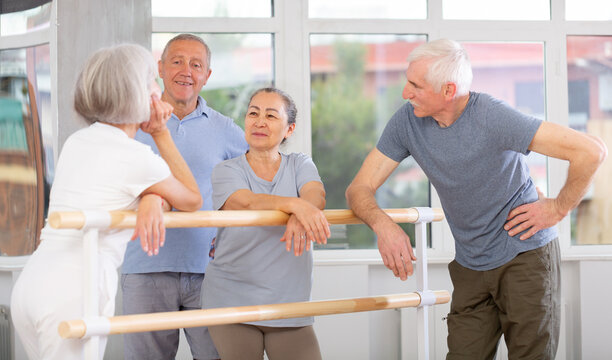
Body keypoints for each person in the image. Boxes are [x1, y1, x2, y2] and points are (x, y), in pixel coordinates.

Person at [345, 39, 607, 359]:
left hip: (524, 255)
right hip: (470, 265)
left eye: (416, 85)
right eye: (407, 81)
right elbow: (358, 188)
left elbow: (590, 151)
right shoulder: (407, 121)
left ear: (448, 90)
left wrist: (558, 208)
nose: (405, 93)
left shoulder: (492, 116)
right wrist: (384, 226)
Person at [10, 43, 202, 360]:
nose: (158, 91)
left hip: (33, 284)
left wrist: (153, 197)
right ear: (135, 93)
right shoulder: (136, 157)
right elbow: (192, 198)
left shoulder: (79, 140)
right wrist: (160, 134)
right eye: (151, 82)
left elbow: (121, 188)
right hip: (74, 288)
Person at [121, 34, 248, 360]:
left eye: (196, 64)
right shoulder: (129, 124)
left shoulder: (225, 129)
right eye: (176, 61)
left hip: (208, 270)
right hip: (144, 269)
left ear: (207, 75)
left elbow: (257, 182)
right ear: (160, 69)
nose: (186, 71)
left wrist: (233, 237)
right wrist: (151, 197)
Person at [201, 87, 330, 360]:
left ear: (289, 129)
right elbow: (244, 202)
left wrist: (302, 210)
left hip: (289, 302)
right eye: (253, 113)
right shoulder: (226, 170)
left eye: (271, 115)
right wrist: (295, 206)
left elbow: (315, 194)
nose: (259, 121)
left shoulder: (300, 164)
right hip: (231, 298)